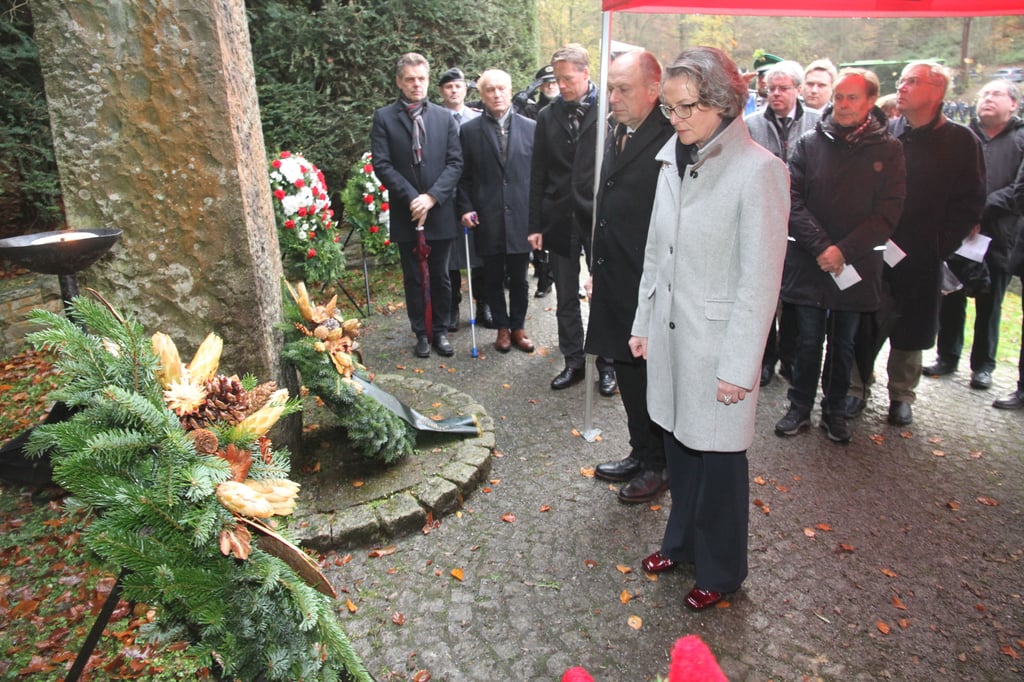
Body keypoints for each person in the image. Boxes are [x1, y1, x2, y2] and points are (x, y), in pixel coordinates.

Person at [629, 46, 788, 610]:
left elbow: (760, 281)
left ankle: (722, 573)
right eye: (669, 109)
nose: (676, 120)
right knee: (679, 449)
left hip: (718, 346)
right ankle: (682, 544)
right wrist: (643, 321)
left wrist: (740, 367)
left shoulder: (760, 172)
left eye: (687, 107)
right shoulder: (673, 158)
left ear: (722, 101)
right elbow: (657, 249)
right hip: (673, 338)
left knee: (719, 464)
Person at [773, 68, 905, 443]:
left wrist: (843, 251)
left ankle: (834, 410)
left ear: (870, 103)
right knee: (808, 340)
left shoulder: (889, 149)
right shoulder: (810, 143)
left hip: (856, 263)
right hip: (812, 261)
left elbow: (889, 211)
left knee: (844, 342)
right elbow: (792, 199)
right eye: (840, 97)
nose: (844, 105)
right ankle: (798, 407)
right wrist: (822, 247)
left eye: (853, 98)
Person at [850, 61, 985, 425]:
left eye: (912, 81)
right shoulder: (886, 133)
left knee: (911, 326)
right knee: (865, 320)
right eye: (903, 80)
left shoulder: (961, 141)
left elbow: (970, 202)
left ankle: (901, 395)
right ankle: (855, 388)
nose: (902, 86)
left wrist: (938, 245)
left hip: (923, 253)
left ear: (937, 91)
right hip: (877, 249)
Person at [585, 50, 675, 504]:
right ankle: (641, 451)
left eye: (623, 89)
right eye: (611, 88)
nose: (613, 98)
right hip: (615, 273)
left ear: (653, 90)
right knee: (625, 367)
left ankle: (660, 463)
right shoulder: (620, 130)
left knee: (648, 373)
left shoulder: (672, 136)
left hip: (649, 279)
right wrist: (595, 268)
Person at [528, 44, 616, 396]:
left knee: (604, 291)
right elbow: (538, 172)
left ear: (585, 73)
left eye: (567, 78)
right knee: (565, 293)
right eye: (557, 79)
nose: (561, 85)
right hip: (559, 217)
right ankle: (574, 360)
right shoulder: (547, 116)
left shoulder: (610, 110)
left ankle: (607, 362)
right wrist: (534, 224)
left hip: (600, 216)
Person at [925, 79, 1024, 391]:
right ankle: (947, 355)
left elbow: (1018, 191)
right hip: (959, 234)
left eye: (996, 94)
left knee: (990, 300)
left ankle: (983, 365)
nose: (987, 99)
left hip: (999, 235)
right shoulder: (962, 135)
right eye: (983, 94)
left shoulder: (1021, 139)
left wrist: (977, 212)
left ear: (1013, 104)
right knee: (952, 293)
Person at [371, 52, 463, 358]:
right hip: (406, 211)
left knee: (441, 276)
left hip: (439, 211)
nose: (416, 84)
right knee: (413, 277)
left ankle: (440, 331)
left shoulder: (444, 117)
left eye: (421, 78)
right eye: (409, 79)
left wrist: (432, 196)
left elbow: (455, 162)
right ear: (399, 82)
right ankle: (421, 333)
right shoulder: (384, 118)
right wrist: (412, 196)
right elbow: (382, 164)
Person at [745, 60, 820, 387]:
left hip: (805, 223)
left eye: (783, 88)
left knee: (794, 298)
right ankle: (764, 359)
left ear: (798, 90)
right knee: (764, 296)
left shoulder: (818, 123)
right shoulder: (751, 124)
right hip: (764, 220)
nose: (775, 94)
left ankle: (791, 359)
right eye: (771, 88)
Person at [457, 69, 537, 353]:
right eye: (490, 89)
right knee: (491, 276)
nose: (497, 94)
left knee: (519, 278)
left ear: (510, 89)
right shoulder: (468, 132)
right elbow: (463, 176)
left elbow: (539, 177)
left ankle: (518, 327)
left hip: (521, 216)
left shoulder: (531, 127)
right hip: (487, 216)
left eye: (501, 88)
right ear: (482, 95)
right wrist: (465, 207)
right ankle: (501, 328)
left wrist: (538, 218)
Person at [436, 67, 492, 334]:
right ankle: (451, 307)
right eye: (448, 87)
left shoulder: (479, 118)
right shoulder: (434, 118)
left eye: (458, 86)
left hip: (474, 195)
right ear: (441, 91)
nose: (454, 91)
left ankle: (484, 305)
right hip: (447, 196)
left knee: (478, 253)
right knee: (450, 256)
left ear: (466, 90)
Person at [513, 65, 559, 299]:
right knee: (536, 227)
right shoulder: (532, 108)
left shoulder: (563, 107)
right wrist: (521, 99)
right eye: (546, 82)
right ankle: (543, 273)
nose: (551, 86)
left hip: (557, 175)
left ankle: (549, 275)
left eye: (554, 81)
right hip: (535, 173)